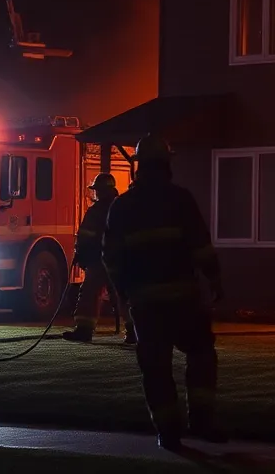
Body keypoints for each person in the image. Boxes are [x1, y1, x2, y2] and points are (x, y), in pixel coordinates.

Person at [103, 134, 226, 450]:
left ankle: (168, 433)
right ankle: (202, 420)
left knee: (155, 368)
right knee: (201, 354)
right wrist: (214, 279)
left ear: (139, 166)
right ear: (166, 165)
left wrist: (122, 293)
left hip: (146, 304)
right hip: (185, 300)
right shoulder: (180, 200)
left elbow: (112, 258)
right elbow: (200, 245)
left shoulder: (122, 207)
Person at [62, 173, 134, 344]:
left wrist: (81, 253)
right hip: (119, 259)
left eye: (98, 190)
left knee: (90, 292)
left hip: (100, 260)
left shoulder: (96, 211)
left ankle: (84, 329)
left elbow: (85, 235)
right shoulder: (122, 207)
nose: (96, 194)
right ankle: (134, 331)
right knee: (124, 295)